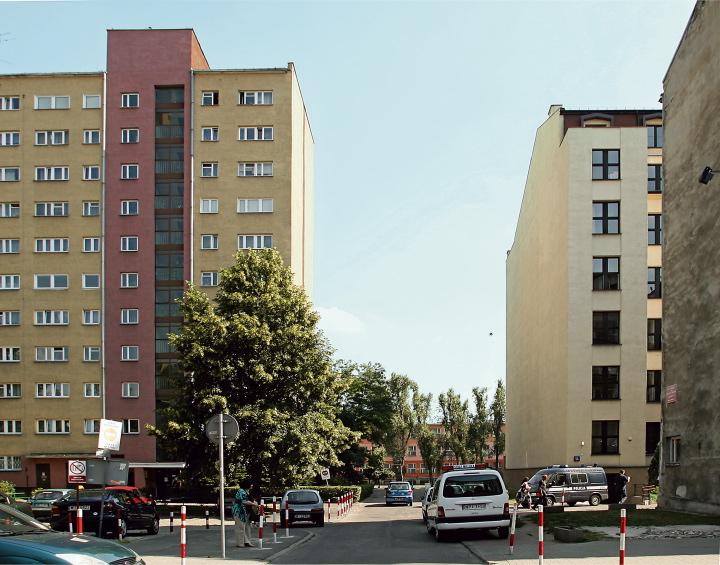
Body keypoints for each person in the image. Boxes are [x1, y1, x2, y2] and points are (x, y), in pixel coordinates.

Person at [232, 479, 259, 548]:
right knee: (240, 527)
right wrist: (254, 504)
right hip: (239, 512)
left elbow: (251, 499)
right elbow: (244, 501)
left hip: (246, 512)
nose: (252, 485)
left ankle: (247, 542)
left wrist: (255, 503)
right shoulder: (241, 491)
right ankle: (240, 543)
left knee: (247, 527)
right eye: (251, 484)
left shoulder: (247, 491)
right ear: (247, 485)